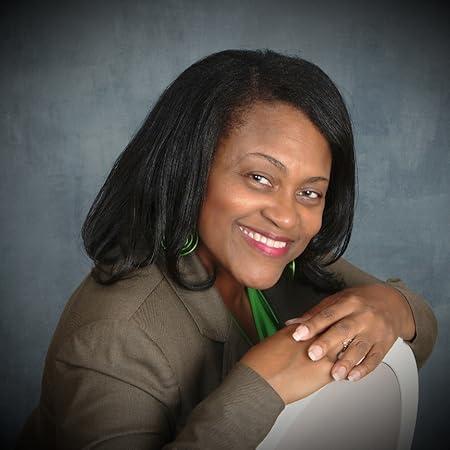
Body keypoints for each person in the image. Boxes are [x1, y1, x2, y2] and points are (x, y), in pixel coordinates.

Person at [17, 49, 437, 449]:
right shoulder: (114, 337)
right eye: (259, 178)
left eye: (310, 192)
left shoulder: (289, 259)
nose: (287, 218)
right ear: (190, 168)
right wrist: (261, 385)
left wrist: (386, 304)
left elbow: (419, 333)